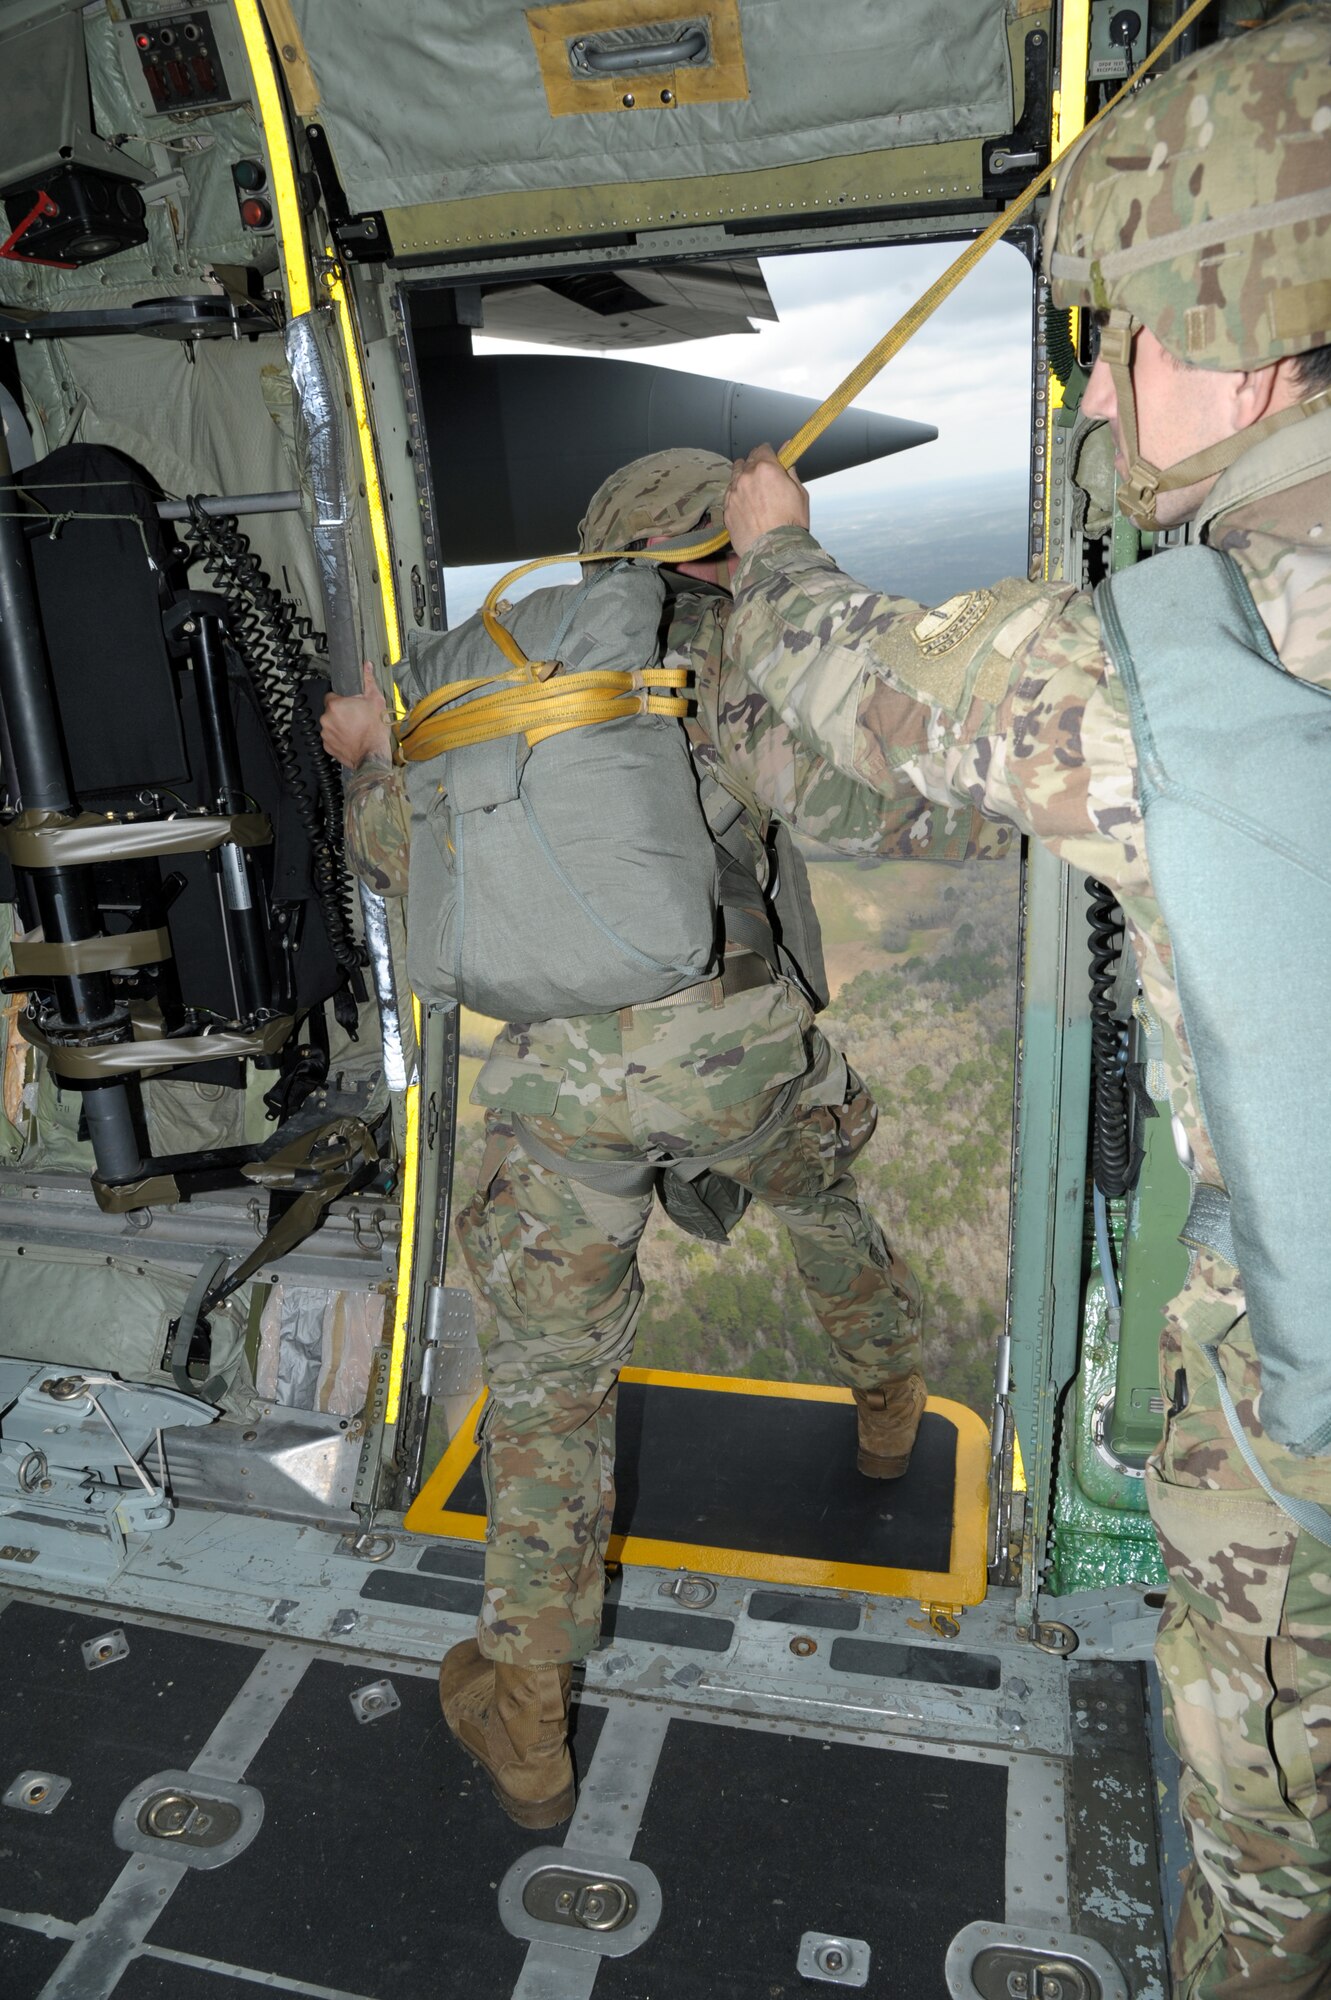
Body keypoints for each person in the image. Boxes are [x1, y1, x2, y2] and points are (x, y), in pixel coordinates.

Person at [720, 11, 1331, 1993]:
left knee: (1265, 1868)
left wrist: (774, 551)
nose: (1092, 380)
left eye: (1112, 336)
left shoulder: (1188, 674)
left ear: (1233, 344)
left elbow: (856, 677)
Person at [320, 447, 1009, 1830]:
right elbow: (864, 812)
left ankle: (526, 1716)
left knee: (547, 1383)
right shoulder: (727, 667)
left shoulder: (494, 673)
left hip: (562, 1081)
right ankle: (887, 1414)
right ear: (710, 556)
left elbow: (397, 852)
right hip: (734, 1056)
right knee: (820, 1207)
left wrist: (379, 759)